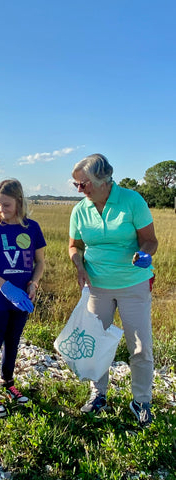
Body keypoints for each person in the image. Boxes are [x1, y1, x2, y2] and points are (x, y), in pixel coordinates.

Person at [68, 153, 158, 427]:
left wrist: (143, 255)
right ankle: (98, 395)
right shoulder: (80, 210)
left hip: (133, 285)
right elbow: (75, 246)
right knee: (96, 345)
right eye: (76, 185)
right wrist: (79, 266)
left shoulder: (132, 201)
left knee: (141, 347)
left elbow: (150, 241)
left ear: (104, 180)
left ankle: (141, 401)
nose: (80, 190)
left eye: (84, 184)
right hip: (97, 287)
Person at [0, 179, 46, 417]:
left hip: (22, 298)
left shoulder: (32, 228)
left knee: (13, 342)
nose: (0, 210)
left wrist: (33, 283)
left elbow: (40, 262)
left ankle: (7, 382)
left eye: (6, 205)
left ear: (19, 202)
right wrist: (1, 284)